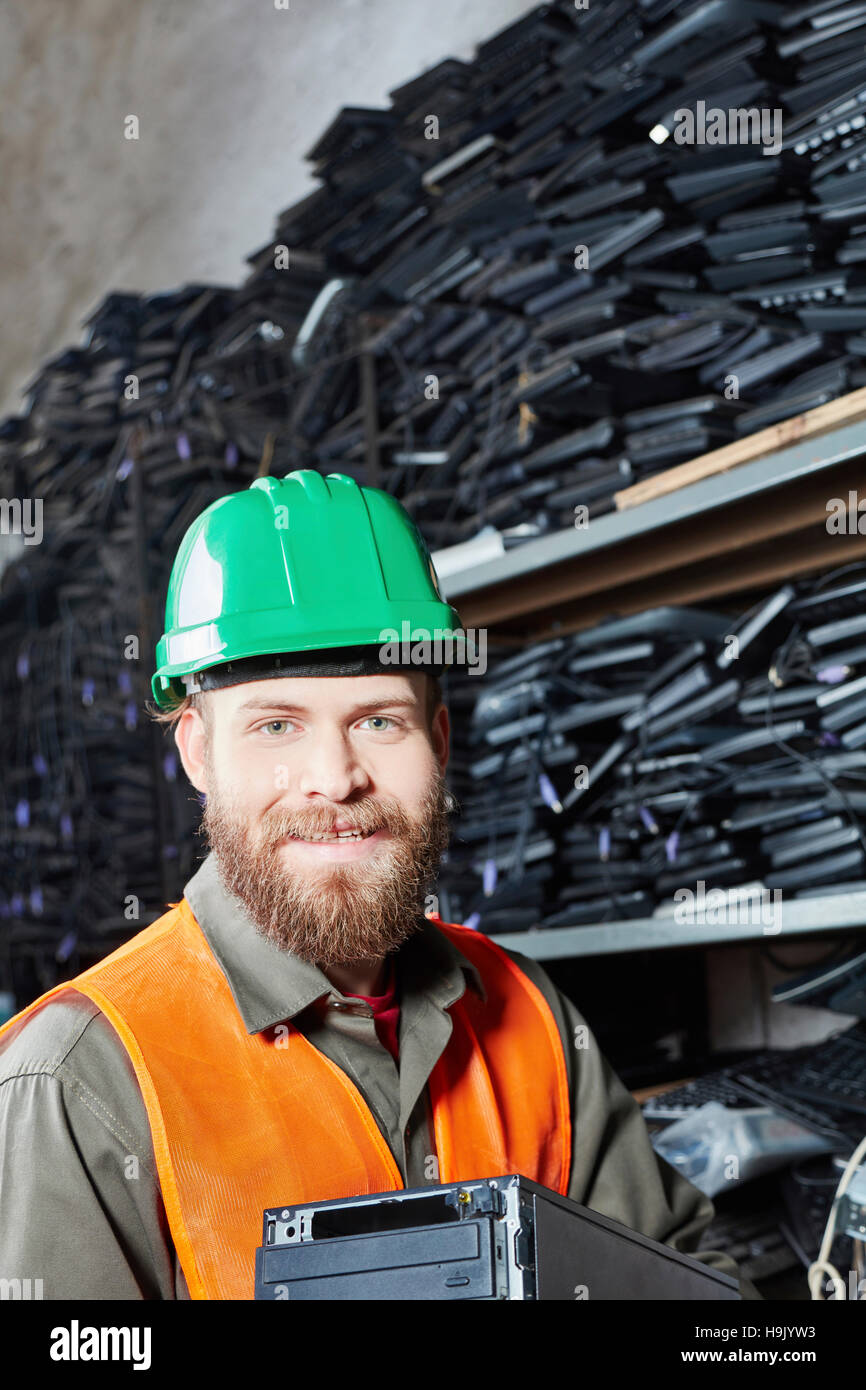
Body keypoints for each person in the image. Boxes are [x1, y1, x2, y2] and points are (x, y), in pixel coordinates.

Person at [0, 470, 757, 1299]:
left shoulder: (532, 1020)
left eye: (378, 721)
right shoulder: (80, 1082)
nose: (335, 779)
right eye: (277, 725)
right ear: (197, 754)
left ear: (437, 740)